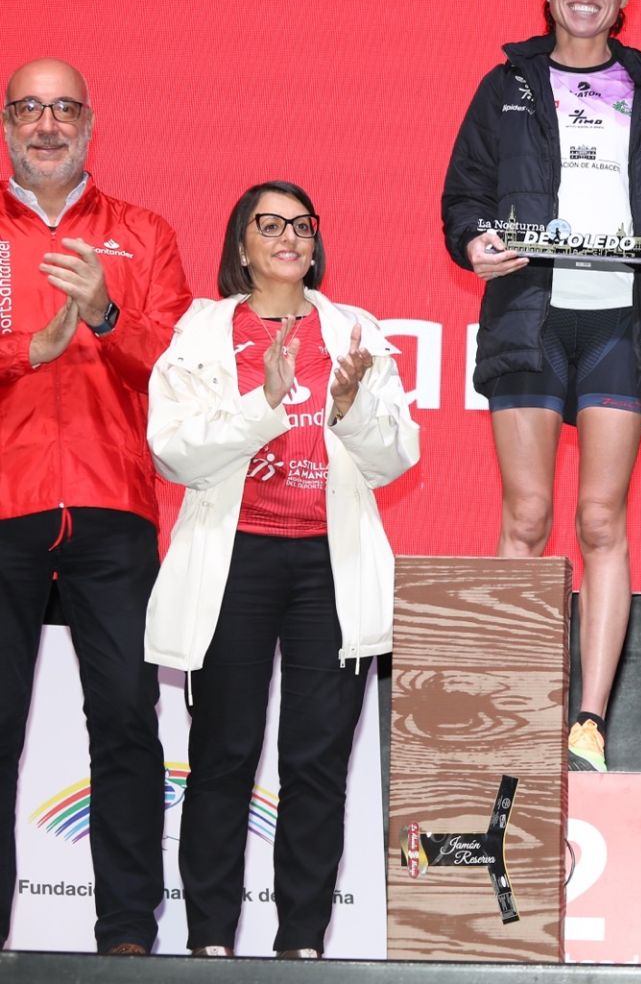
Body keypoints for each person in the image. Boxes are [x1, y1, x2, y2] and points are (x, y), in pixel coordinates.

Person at [441, 0, 641, 773]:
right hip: (529, 311)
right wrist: (472, 244)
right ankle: (513, 707)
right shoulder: (506, 85)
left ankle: (588, 721)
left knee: (600, 519)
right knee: (526, 516)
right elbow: (464, 198)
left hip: (620, 322)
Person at [145, 182, 420, 959]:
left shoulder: (354, 330)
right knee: (223, 756)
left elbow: (397, 455)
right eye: (271, 225)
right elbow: (175, 450)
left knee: (316, 765)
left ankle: (301, 944)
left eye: (302, 225)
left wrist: (350, 405)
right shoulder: (201, 331)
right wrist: (264, 403)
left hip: (328, 566)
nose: (289, 237)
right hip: (235, 561)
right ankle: (208, 945)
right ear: (242, 243)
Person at [0, 58, 191, 955]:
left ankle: (125, 938)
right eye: (29, 108)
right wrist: (25, 349)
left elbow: (186, 373)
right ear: (6, 125)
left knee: (124, 721)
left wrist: (109, 318)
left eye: (63, 108)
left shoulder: (141, 232)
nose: (47, 124)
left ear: (90, 123)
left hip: (115, 508)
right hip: (5, 503)